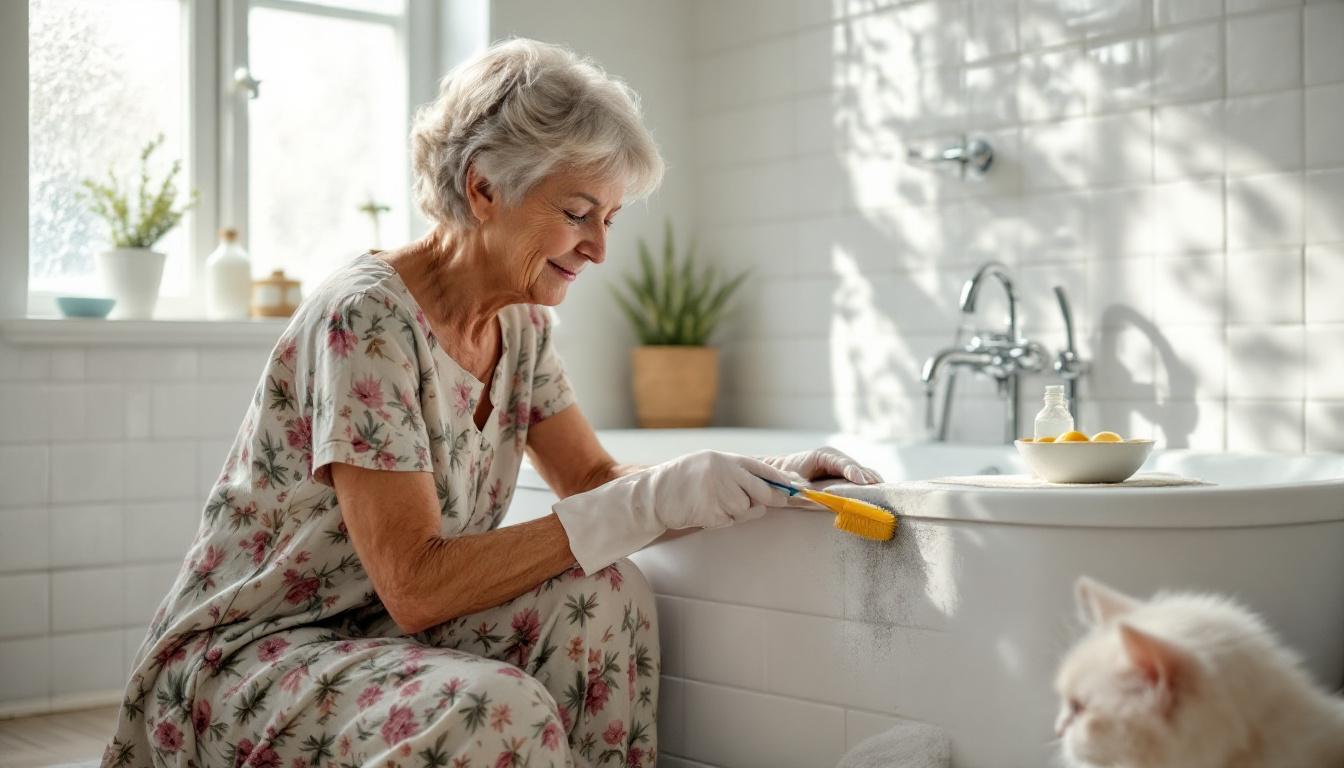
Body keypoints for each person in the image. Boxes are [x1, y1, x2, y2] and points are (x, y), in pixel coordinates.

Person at [103, 37, 880, 768]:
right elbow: (416, 585)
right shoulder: (365, 318)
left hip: (364, 635)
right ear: (483, 188)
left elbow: (592, 480)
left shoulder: (523, 321)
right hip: (249, 655)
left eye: (608, 220)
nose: (599, 249)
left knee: (606, 594)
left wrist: (763, 474)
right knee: (498, 709)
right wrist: (648, 502)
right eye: (577, 214)